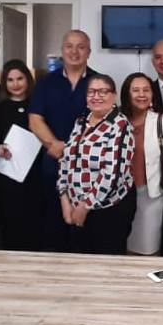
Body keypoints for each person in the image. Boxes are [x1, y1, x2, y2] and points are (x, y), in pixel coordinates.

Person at [28, 30, 98, 252]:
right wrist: (53, 144)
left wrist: (78, 150)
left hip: (89, 168)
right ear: (62, 50)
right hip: (54, 164)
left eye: (81, 47)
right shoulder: (46, 83)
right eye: (69, 46)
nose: (74, 51)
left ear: (89, 51)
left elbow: (106, 122)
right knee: (53, 226)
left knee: (85, 230)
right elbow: (35, 119)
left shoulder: (99, 82)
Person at [57, 74, 136, 254]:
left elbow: (113, 174)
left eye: (103, 91)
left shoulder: (120, 126)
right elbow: (66, 160)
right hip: (75, 206)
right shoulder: (80, 122)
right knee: (80, 263)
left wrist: (85, 206)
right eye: (91, 92)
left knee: (105, 264)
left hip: (108, 210)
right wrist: (64, 197)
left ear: (114, 96)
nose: (96, 96)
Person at [121, 73, 163, 255]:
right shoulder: (117, 120)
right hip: (119, 197)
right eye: (136, 90)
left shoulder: (162, 120)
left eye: (146, 90)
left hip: (150, 195)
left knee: (148, 250)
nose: (142, 94)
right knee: (119, 247)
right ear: (127, 94)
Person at [0, 60, 44, 251]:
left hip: (35, 174)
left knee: (34, 221)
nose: (15, 84)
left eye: (20, 78)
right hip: (7, 174)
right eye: (10, 80)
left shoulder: (38, 106)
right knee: (10, 223)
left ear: (28, 79)